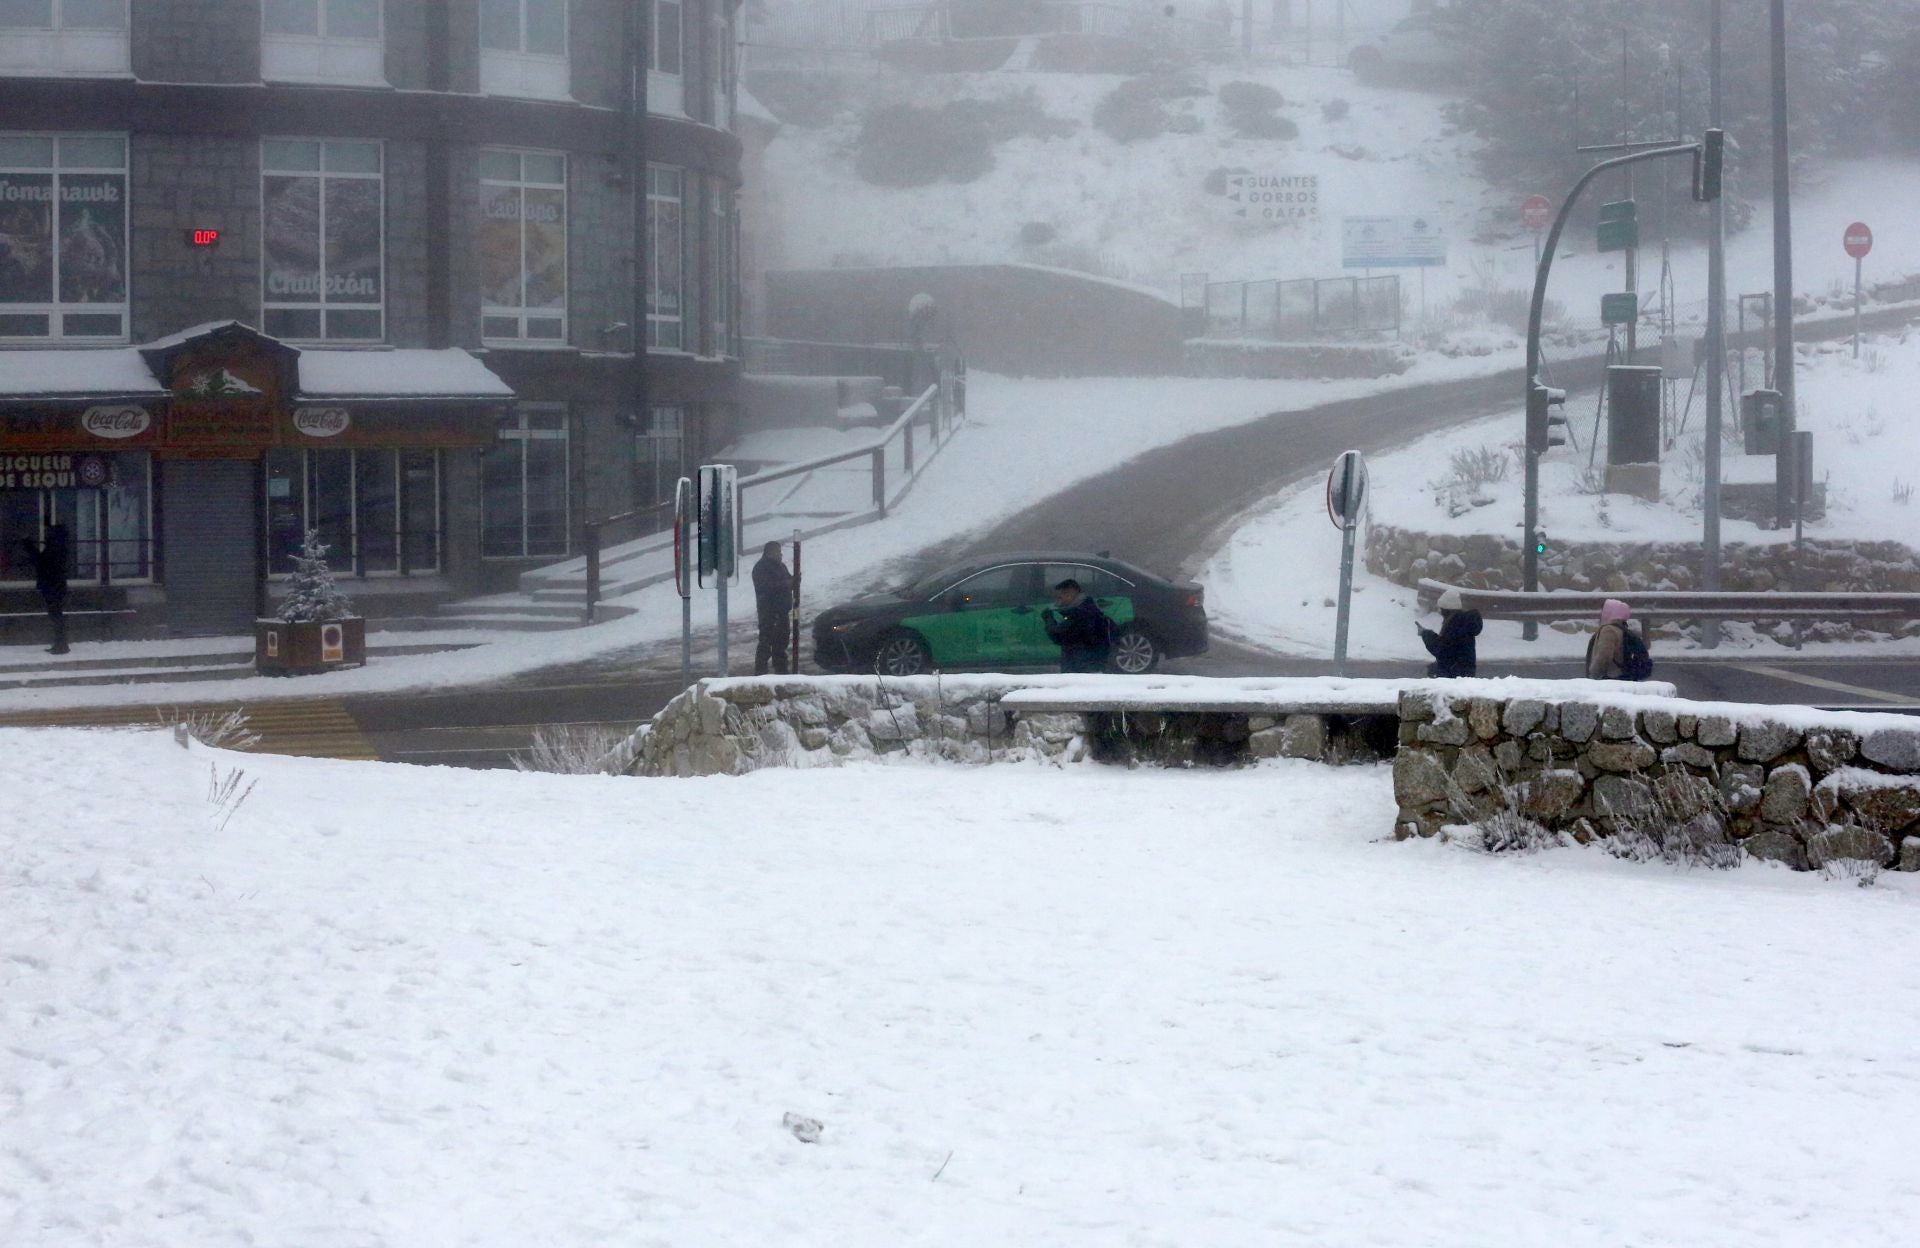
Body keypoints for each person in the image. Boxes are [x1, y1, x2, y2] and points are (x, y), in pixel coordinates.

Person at [1041, 578, 1113, 673]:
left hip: (1082, 669)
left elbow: (1058, 636)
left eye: (1060, 597)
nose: (1057, 601)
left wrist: (1048, 618)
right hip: (1089, 666)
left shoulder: (1080, 614)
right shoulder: (1088, 609)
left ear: (1070, 594)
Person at [21, 522, 70, 655]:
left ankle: (61, 644)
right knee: (56, 615)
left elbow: (41, 562)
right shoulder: (59, 547)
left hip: (52, 585)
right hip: (56, 585)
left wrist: (28, 544)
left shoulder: (54, 548)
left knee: (55, 615)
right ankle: (60, 643)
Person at [1418, 587, 1482, 678]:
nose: (1440, 611)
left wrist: (1425, 634)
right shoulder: (1461, 622)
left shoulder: (1455, 624)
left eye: (1441, 608)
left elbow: (1441, 650)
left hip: (1456, 674)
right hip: (1462, 672)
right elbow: (1447, 647)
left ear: (1447, 609)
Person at [752, 540, 793, 675]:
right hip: (769, 612)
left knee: (781, 645)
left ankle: (782, 672)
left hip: (782, 611)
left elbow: (788, 582)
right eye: (778, 552)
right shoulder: (761, 568)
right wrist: (787, 583)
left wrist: (794, 581)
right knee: (766, 644)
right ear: (769, 553)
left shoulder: (781, 566)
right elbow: (767, 587)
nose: (781, 555)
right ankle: (760, 674)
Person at [1586, 598, 1652, 681]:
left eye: (1604, 610)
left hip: (1611, 679)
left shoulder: (1608, 630)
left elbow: (1604, 656)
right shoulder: (1621, 629)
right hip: (1622, 677)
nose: (1602, 613)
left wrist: (1594, 675)